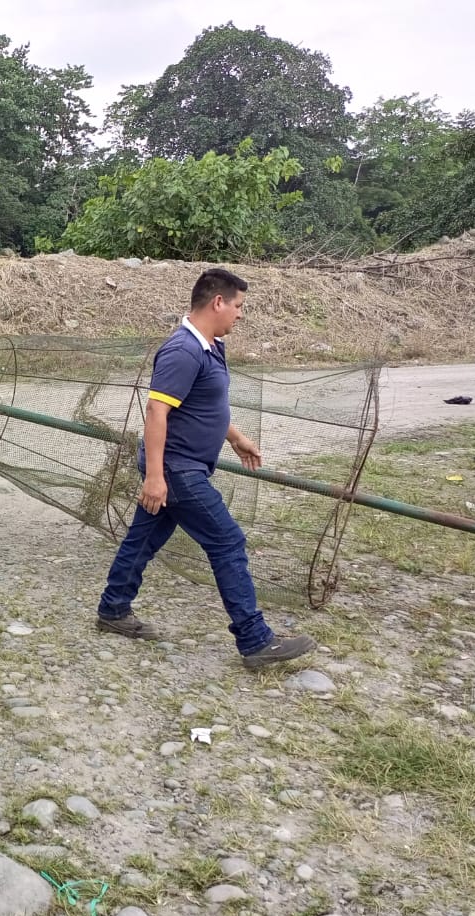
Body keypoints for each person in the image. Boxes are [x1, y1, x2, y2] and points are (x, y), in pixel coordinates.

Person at [96, 267, 315, 670]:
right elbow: (157, 411)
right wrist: (156, 477)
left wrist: (235, 437)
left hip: (181, 467)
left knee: (144, 538)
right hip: (177, 469)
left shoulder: (210, 346)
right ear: (218, 302)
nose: (240, 314)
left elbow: (204, 403)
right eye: (238, 306)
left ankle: (113, 609)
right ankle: (255, 640)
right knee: (227, 541)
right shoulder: (183, 350)